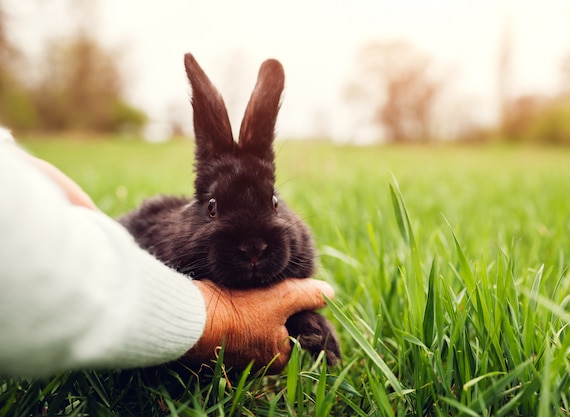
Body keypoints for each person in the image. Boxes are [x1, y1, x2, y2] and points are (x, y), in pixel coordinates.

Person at [0, 127, 334, 377]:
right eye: (216, 209)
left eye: (272, 205)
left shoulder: (293, 247)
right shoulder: (163, 243)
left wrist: (300, 318)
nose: (253, 247)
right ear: (205, 206)